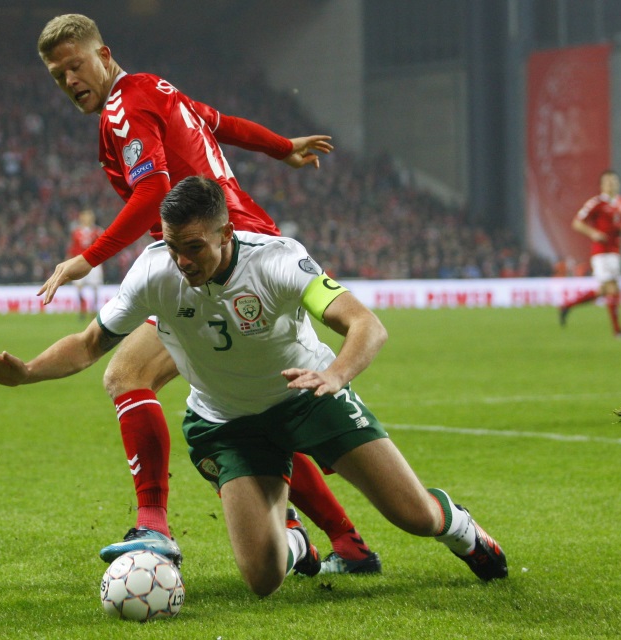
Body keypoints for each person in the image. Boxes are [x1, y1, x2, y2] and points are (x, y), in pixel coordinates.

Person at [0, 177, 508, 595]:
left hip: (308, 396)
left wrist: (336, 374)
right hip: (227, 425)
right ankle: (294, 541)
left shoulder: (277, 261)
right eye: (175, 245)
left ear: (227, 233)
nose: (183, 260)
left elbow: (365, 323)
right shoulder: (155, 272)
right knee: (263, 579)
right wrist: (29, 371)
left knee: (413, 516)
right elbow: (88, 345)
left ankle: (462, 531)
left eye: (195, 247)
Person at [36, 13, 379, 575]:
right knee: (255, 404)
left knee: (129, 377)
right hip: (243, 247)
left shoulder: (124, 109)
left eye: (75, 65)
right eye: (58, 75)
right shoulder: (153, 88)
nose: (69, 79)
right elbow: (215, 121)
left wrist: (85, 258)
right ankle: (344, 540)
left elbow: (152, 192)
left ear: (103, 55)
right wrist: (279, 146)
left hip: (222, 261)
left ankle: (154, 526)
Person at [559, 170, 621, 338]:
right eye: (608, 182)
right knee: (612, 288)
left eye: (614, 181)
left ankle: (567, 305)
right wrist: (593, 234)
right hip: (602, 252)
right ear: (601, 186)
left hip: (615, 251)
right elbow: (577, 223)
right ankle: (618, 331)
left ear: (618, 184)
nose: (611, 184)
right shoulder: (596, 203)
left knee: (605, 290)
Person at [67, 208, 105, 319]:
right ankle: (82, 308)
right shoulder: (76, 232)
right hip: (80, 262)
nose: (87, 219)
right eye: (85, 216)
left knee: (95, 287)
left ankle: (93, 309)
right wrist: (69, 260)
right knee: (78, 287)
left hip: (94, 264)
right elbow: (73, 248)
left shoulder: (98, 231)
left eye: (89, 216)